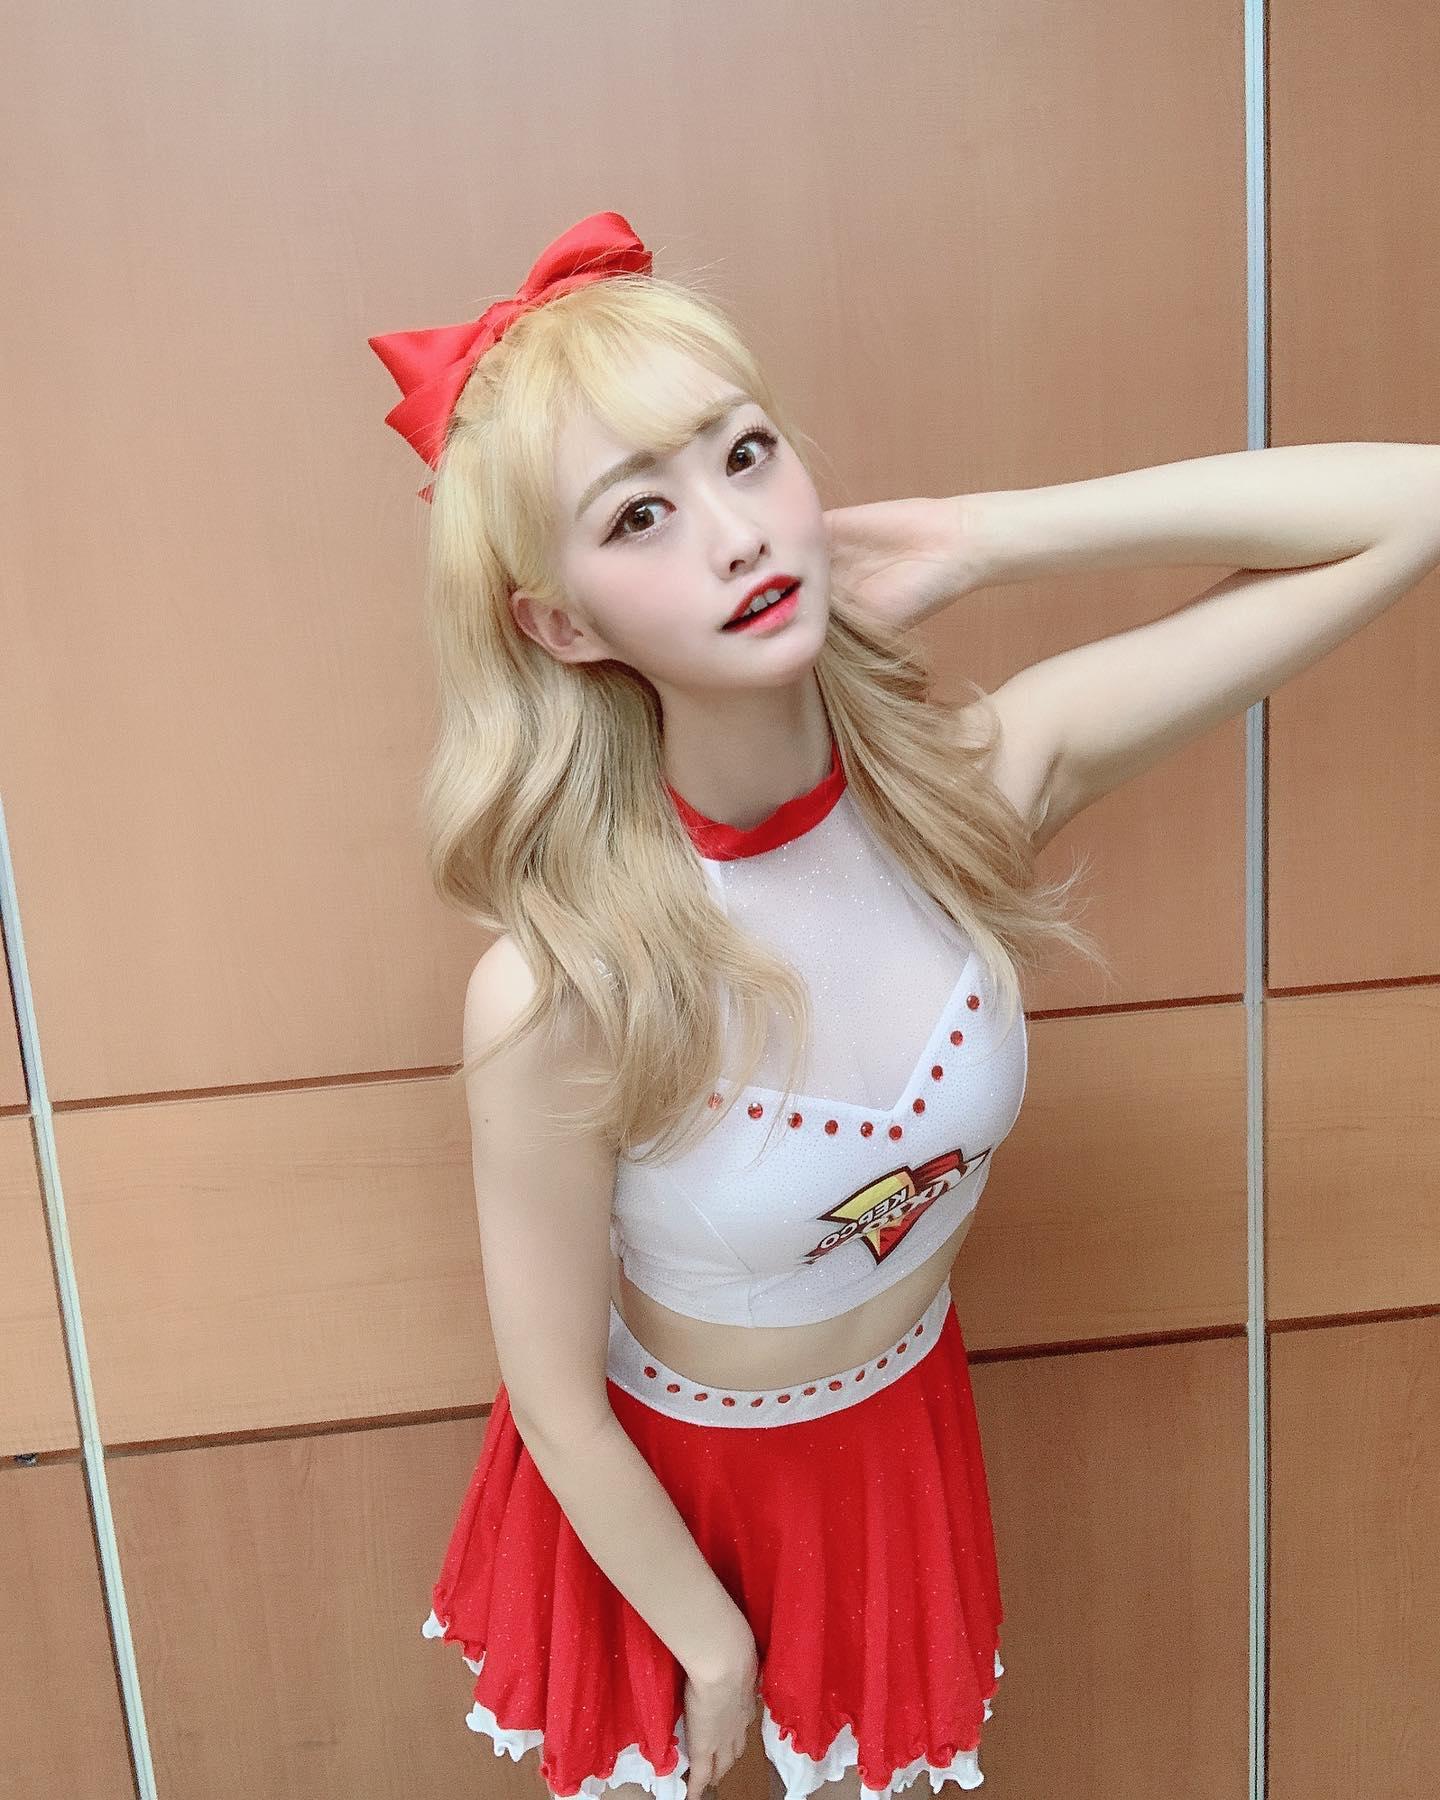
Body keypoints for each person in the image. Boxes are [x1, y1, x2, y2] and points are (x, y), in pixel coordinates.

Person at [368, 210, 1440, 1800]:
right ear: (563, 623)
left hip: (897, 1434)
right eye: (641, 514)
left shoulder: (975, 792)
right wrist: (711, 1645)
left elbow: (1413, 506)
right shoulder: (562, 986)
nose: (735, 535)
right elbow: (553, 1395)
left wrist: (987, 534)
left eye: (746, 455)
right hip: (659, 1503)